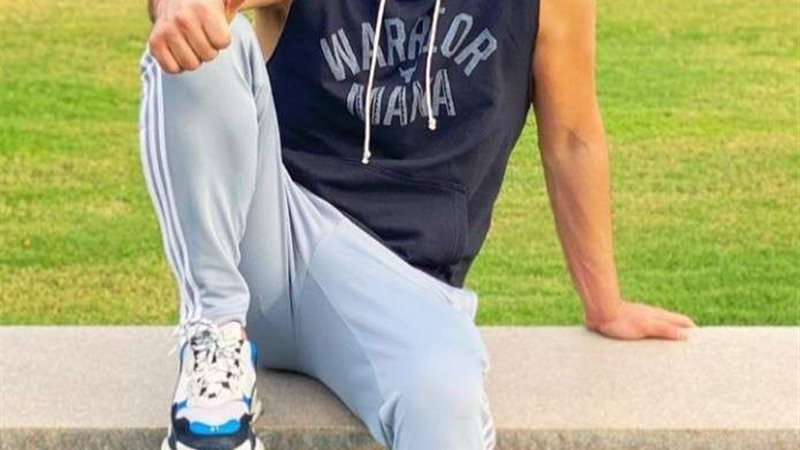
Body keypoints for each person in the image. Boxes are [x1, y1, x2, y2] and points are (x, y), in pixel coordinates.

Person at [140, 0, 697, 449]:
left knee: (444, 402)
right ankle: (212, 333)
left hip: (405, 290)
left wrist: (604, 304)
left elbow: (572, 138)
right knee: (204, 37)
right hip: (272, 244)